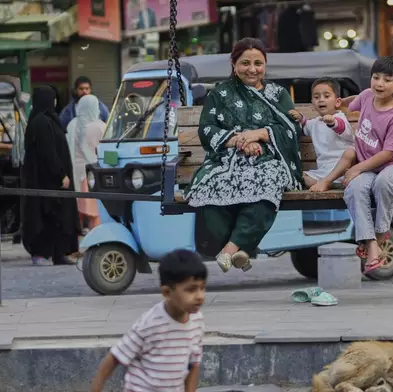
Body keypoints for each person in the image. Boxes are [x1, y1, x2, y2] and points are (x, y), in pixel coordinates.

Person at [183, 37, 304, 273]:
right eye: (245, 63)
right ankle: (241, 250)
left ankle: (230, 251)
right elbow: (207, 129)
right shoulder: (220, 93)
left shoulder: (277, 93)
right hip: (226, 158)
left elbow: (292, 129)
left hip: (268, 159)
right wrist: (239, 140)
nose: (252, 69)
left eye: (258, 63)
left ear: (265, 65)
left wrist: (258, 134)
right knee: (211, 186)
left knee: (267, 183)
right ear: (234, 63)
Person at [90, 248, 207, 392]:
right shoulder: (150, 324)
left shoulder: (197, 322)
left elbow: (194, 364)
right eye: (191, 289)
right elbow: (114, 358)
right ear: (166, 292)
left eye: (202, 288)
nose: (200, 296)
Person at [340, 56, 393, 274]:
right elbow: (354, 101)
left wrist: (357, 168)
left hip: (392, 167)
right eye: (375, 77)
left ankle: (380, 233)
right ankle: (370, 244)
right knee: (354, 188)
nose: (379, 83)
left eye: (387, 80)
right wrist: (339, 103)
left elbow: (389, 153)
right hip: (367, 168)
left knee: (383, 183)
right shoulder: (367, 96)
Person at [21, 86, 80, 266]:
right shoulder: (42, 123)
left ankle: (59, 253)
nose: (55, 102)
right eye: (52, 98)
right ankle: (43, 253)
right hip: (48, 181)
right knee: (47, 216)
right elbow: (48, 153)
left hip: (48, 182)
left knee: (58, 218)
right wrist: (61, 174)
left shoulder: (47, 120)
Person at [288, 77, 356, 192]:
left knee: (350, 153)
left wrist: (332, 122)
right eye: (316, 97)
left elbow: (342, 128)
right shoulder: (315, 122)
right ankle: (328, 183)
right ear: (312, 102)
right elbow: (305, 126)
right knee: (301, 176)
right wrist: (300, 117)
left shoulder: (339, 118)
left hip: (343, 169)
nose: (321, 100)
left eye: (326, 96)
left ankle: (332, 182)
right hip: (323, 172)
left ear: (337, 101)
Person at [66, 94, 107, 231]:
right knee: (95, 213)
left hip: (75, 171)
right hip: (93, 174)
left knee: (77, 211)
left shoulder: (72, 124)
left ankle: (74, 243)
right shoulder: (100, 127)